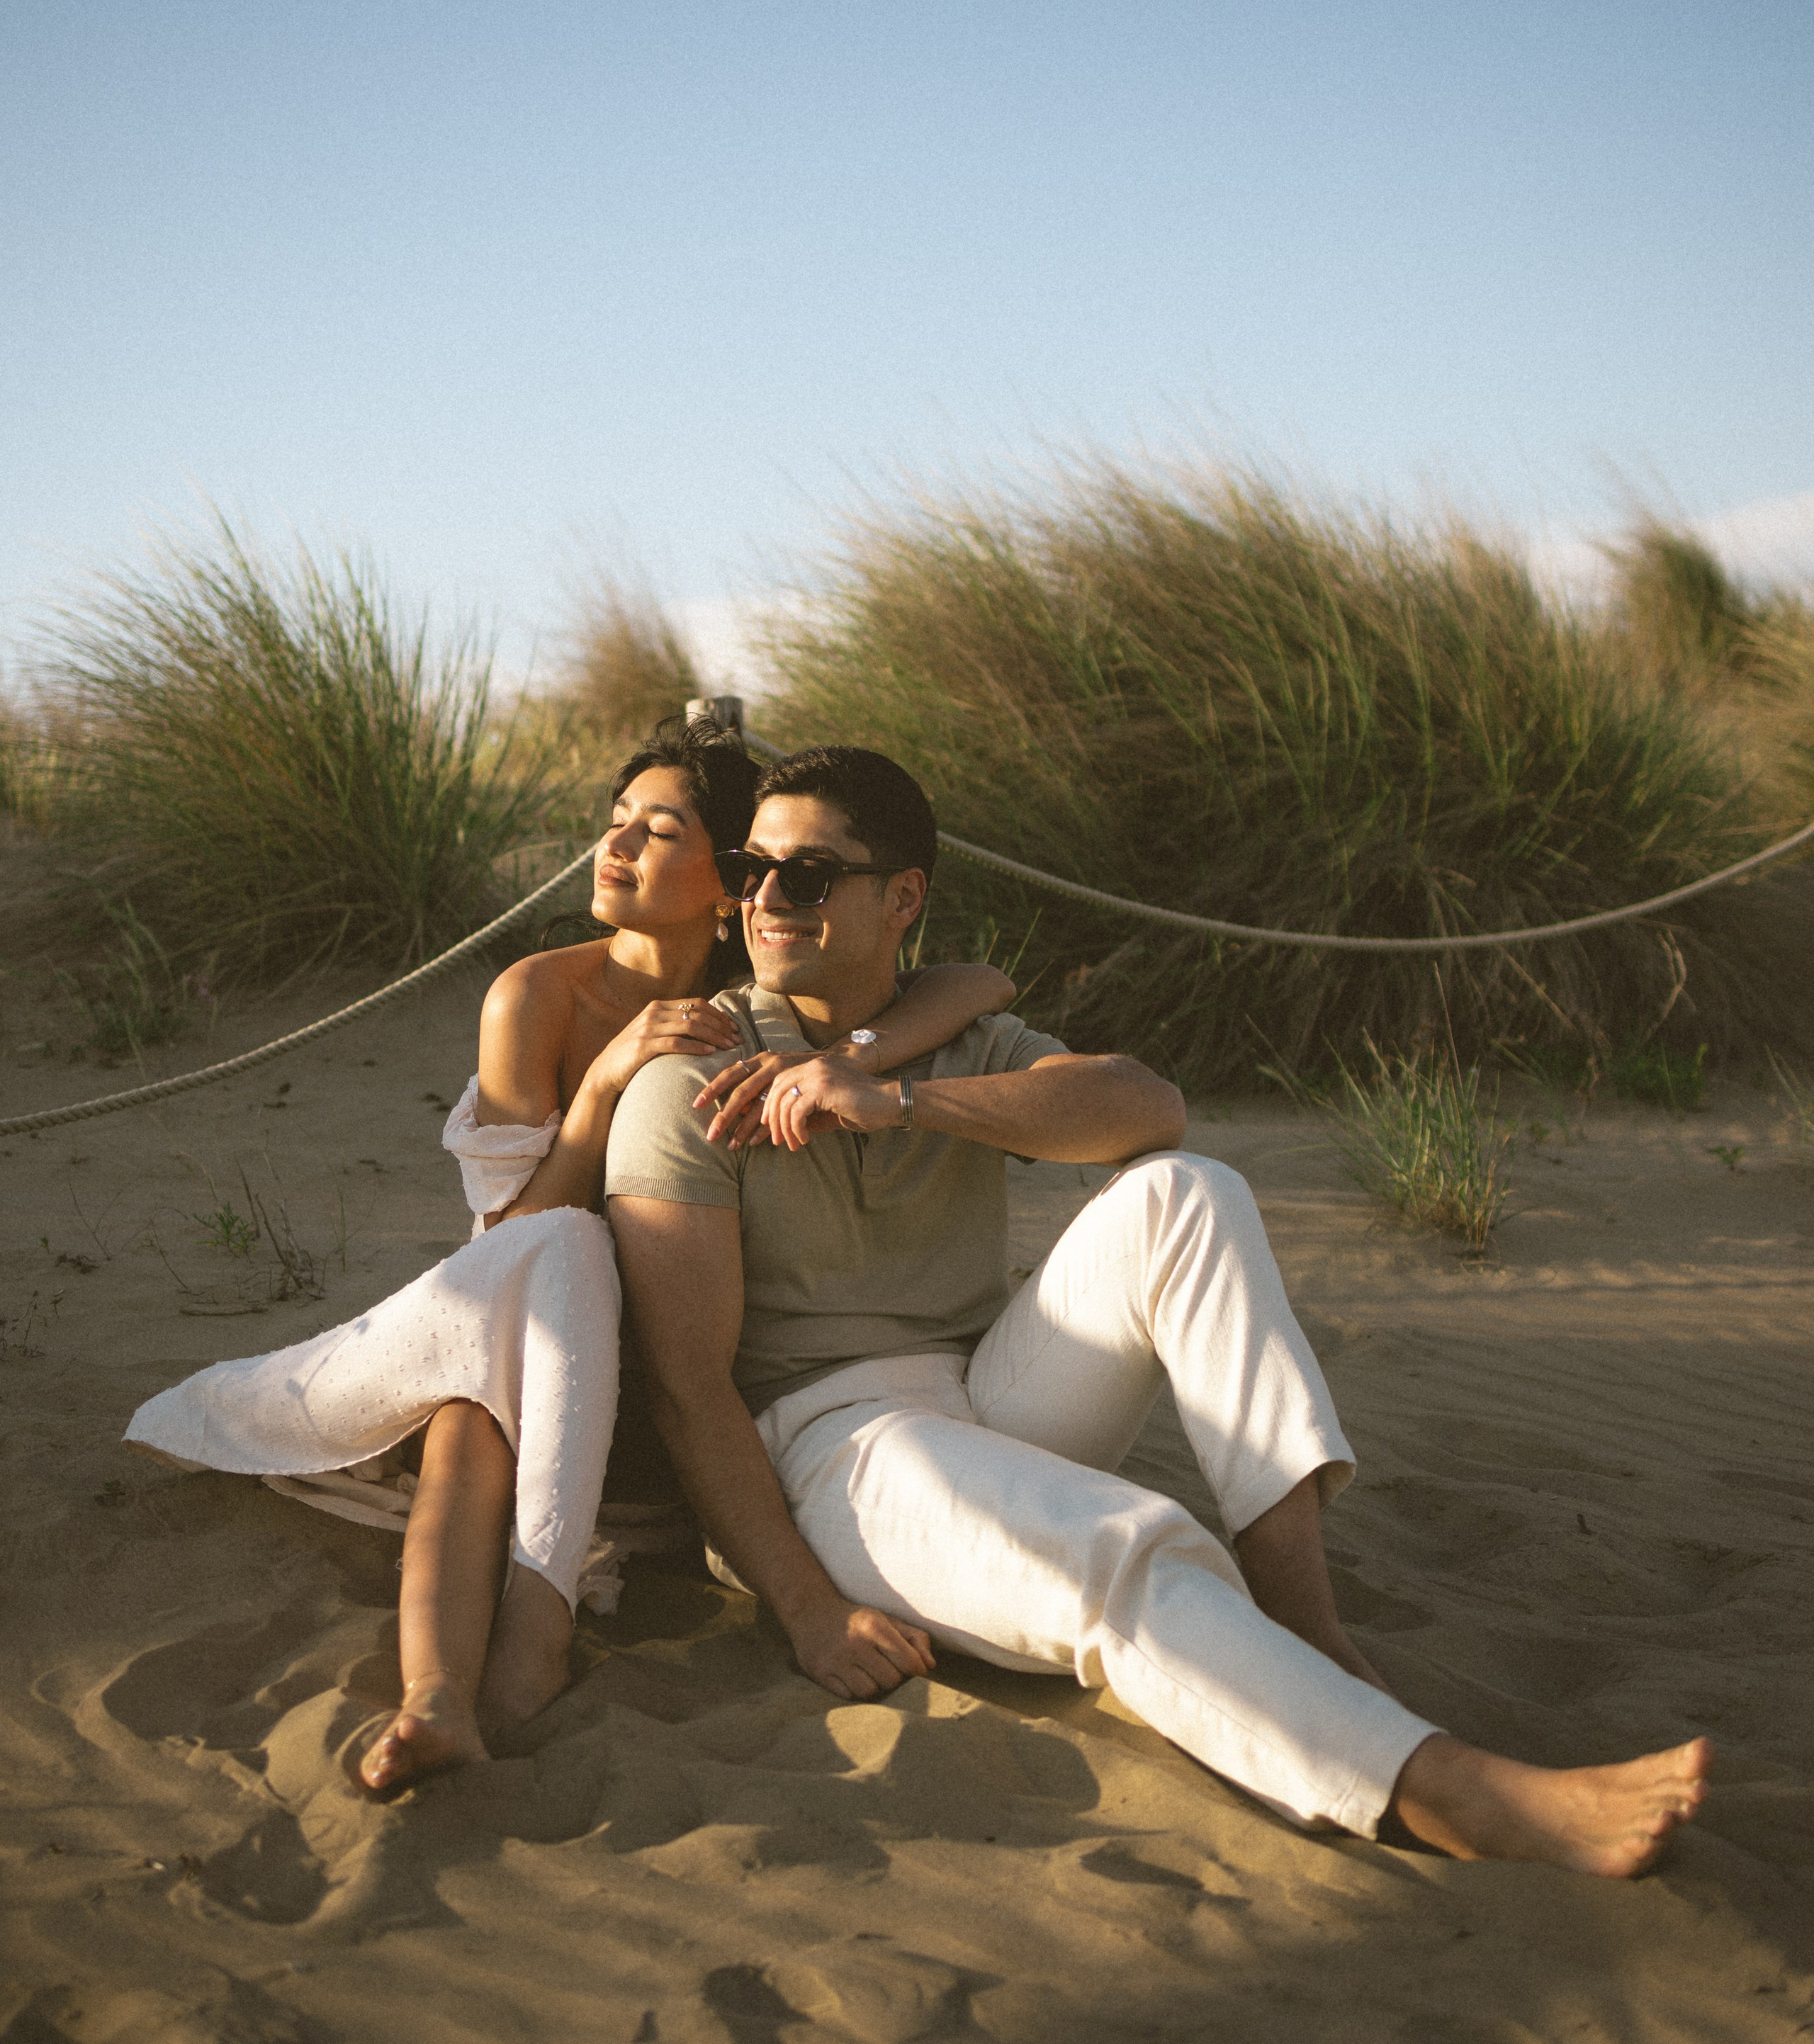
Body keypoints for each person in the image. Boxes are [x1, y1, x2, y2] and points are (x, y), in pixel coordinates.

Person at [604, 743, 1712, 1876]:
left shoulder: (949, 1043)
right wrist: (804, 1608)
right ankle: (1444, 1789)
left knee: (1191, 1192)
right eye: (752, 870)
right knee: (1121, 1545)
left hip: (984, 1384)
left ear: (904, 898)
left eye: (808, 873)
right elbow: (691, 1388)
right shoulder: (689, 1081)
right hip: (832, 1448)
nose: (767, 899)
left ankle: (1307, 1627)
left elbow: (1149, 1106)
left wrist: (897, 1099)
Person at [123, 717, 1017, 1795]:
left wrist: (860, 1058)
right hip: (508, 1315)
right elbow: (507, 1249)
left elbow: (976, 983)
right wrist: (602, 1090)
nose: (619, 846)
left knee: (555, 1319)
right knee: (497, 1370)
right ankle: (449, 1689)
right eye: (615, 823)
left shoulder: (770, 991)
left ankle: (506, 1654)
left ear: (731, 878)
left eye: (663, 829)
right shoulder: (538, 994)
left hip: (662, 1366)